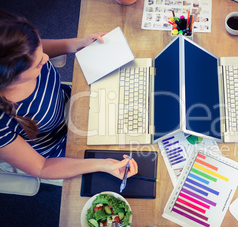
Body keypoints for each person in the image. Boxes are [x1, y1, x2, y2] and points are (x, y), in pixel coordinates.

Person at [0, 10, 138, 180]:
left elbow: (35, 49)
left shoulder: (22, 53)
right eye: (37, 64)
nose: (46, 58)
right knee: (134, 155)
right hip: (61, 151)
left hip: (75, 105)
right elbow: (42, 167)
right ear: (10, 76)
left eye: (40, 49)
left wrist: (79, 43)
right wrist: (102, 164)